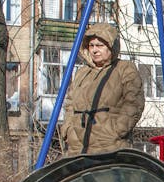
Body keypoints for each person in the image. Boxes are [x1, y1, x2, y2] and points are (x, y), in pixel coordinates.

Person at [61, 23, 145, 156]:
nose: (94, 50)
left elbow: (134, 103)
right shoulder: (82, 73)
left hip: (110, 146)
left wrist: (116, 131)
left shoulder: (124, 69)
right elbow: (70, 103)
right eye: (91, 45)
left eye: (100, 45)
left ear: (111, 46)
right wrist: (68, 129)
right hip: (77, 146)